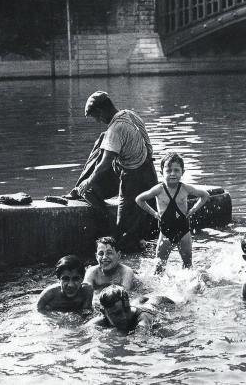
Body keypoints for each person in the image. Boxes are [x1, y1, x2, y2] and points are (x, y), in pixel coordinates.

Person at [77, 91, 158, 252]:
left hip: (133, 178)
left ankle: (125, 255)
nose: (98, 121)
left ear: (100, 111)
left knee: (123, 228)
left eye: (96, 117)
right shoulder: (129, 115)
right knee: (147, 219)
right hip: (150, 173)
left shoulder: (115, 129)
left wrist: (87, 182)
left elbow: (104, 164)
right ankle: (142, 244)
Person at [135, 151, 210, 273]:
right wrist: (154, 213)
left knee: (188, 266)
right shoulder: (159, 189)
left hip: (184, 231)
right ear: (161, 173)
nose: (172, 174)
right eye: (168, 170)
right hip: (165, 233)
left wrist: (192, 210)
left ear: (182, 172)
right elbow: (139, 199)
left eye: (176, 170)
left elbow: (205, 195)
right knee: (159, 268)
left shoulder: (185, 188)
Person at [86, 285, 169, 334]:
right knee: (134, 303)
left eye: (126, 310)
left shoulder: (142, 319)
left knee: (149, 302)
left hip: (159, 303)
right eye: (117, 313)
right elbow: (82, 331)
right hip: (135, 304)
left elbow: (140, 341)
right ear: (103, 312)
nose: (124, 317)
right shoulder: (102, 318)